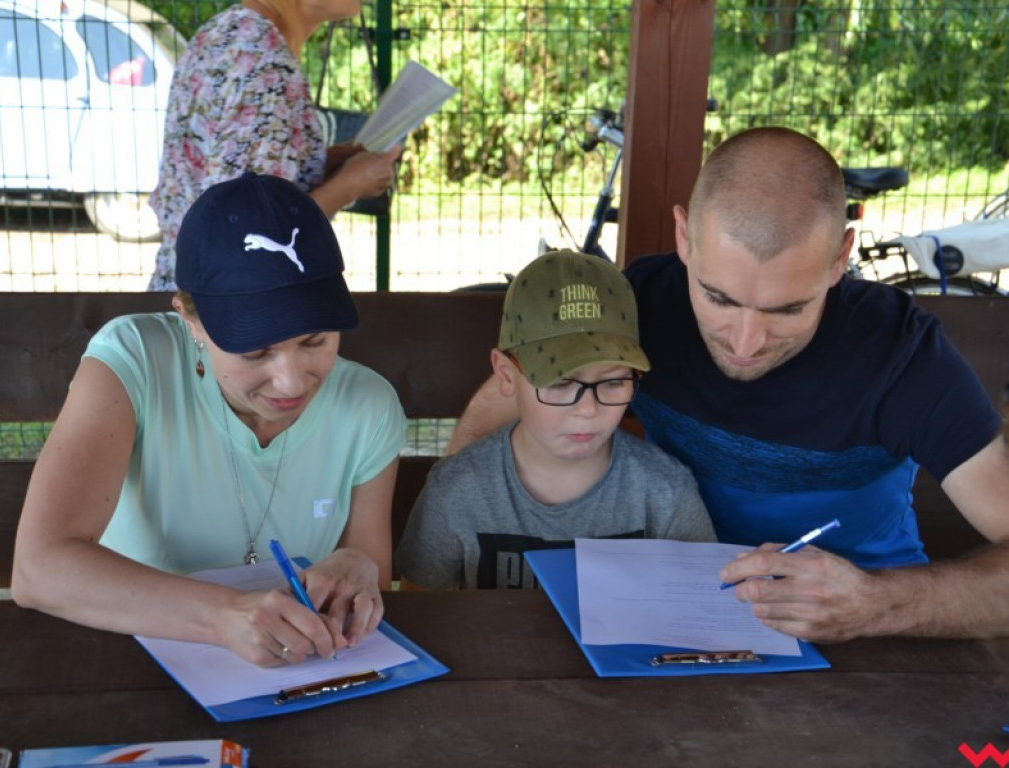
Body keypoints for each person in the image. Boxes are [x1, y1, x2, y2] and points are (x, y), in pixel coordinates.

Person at [448, 127, 1009, 639]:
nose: (745, 343)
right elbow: (516, 387)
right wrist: (452, 500)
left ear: (841, 257)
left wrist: (873, 604)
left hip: (865, 634)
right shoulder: (643, 305)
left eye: (788, 310)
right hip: (681, 615)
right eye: (717, 298)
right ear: (684, 238)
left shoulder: (900, 357)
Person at [11, 173, 406, 667]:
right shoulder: (134, 360)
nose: (291, 382)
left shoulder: (367, 406)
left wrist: (358, 566)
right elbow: (38, 568)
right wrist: (225, 618)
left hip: (294, 672)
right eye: (256, 350)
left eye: (315, 342)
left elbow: (367, 581)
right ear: (190, 320)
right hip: (128, 662)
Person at [396, 250, 715, 590]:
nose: (588, 409)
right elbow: (419, 610)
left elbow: (698, 610)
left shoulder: (665, 492)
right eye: (561, 383)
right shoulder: (457, 490)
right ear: (506, 374)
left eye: (612, 382)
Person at [148, 0, 402, 290]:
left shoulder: (229, 31)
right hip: (223, 315)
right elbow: (246, 231)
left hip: (190, 296)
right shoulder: (265, 64)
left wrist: (327, 162)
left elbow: (236, 176)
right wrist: (349, 185)